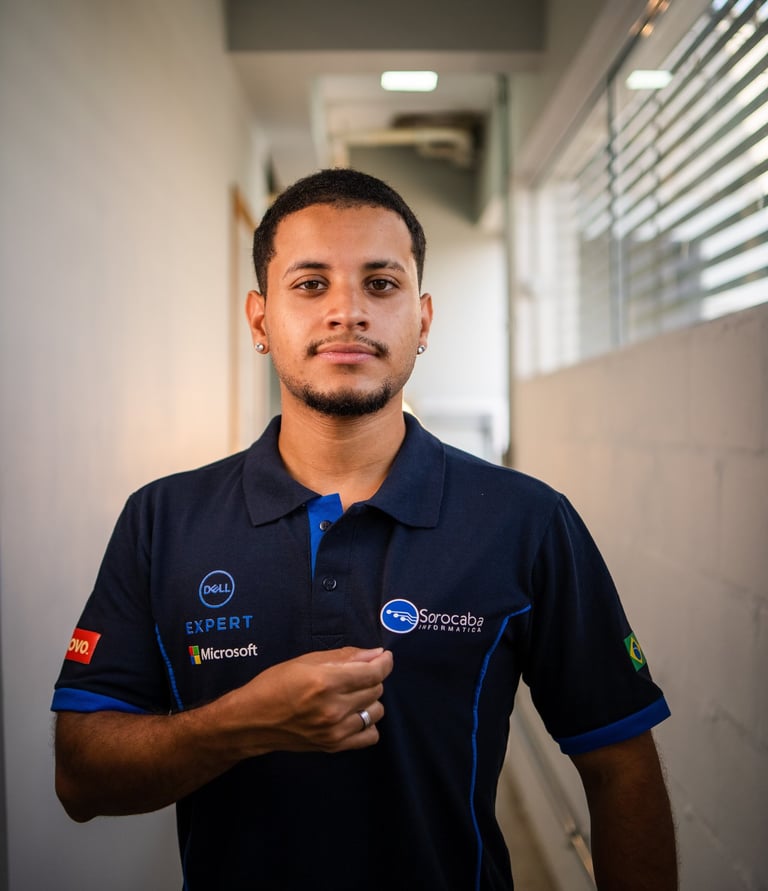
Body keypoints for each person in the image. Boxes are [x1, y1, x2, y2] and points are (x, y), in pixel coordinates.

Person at [52, 168, 677, 890]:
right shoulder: (163, 520)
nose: (347, 311)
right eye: (311, 284)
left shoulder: (528, 521)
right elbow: (80, 776)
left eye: (381, 284)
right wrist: (241, 723)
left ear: (424, 318)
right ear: (260, 320)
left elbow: (620, 764)